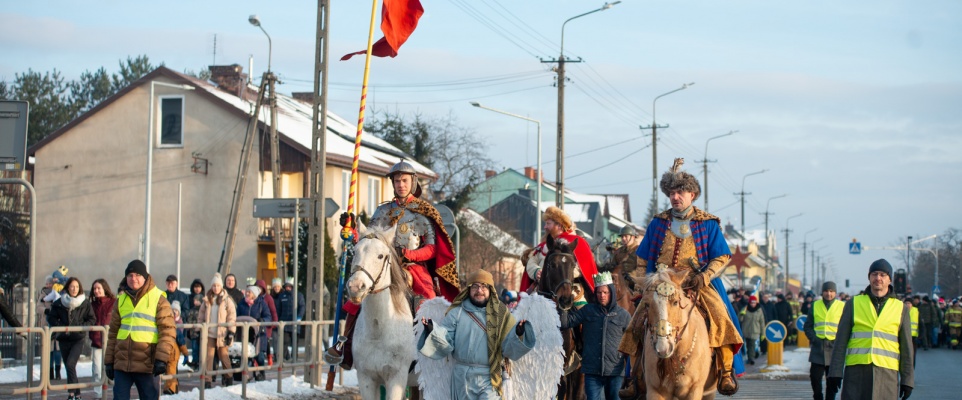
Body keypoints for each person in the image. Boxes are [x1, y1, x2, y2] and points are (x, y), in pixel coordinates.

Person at [619, 158, 743, 397]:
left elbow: (721, 256)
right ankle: (633, 376)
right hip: (661, 285)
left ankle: (725, 371)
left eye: (681, 192)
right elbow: (644, 258)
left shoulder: (707, 223)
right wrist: (643, 283)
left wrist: (705, 276)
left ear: (693, 194)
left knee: (721, 316)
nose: (676, 197)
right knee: (636, 323)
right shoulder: (659, 222)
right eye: (672, 193)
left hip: (696, 283)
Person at [332, 159, 461, 369]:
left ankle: (427, 350)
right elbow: (368, 239)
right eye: (397, 181)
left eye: (404, 180)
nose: (401, 184)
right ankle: (345, 348)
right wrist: (351, 231)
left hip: (411, 267)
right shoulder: (381, 212)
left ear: (413, 182)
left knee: (426, 298)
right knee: (355, 298)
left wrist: (408, 254)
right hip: (379, 265)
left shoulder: (423, 212)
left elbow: (432, 248)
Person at [418, 269, 536, 399]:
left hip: (490, 377)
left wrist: (518, 334)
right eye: (475, 286)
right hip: (462, 379)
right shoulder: (456, 313)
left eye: (484, 286)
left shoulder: (502, 314)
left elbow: (508, 348)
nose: (479, 290)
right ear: (468, 290)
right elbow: (446, 341)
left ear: (490, 290)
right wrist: (432, 330)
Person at [827, 259, 914, 400]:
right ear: (869, 277)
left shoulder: (900, 308)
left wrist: (907, 380)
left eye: (882, 275)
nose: (878, 278)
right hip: (856, 373)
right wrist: (835, 372)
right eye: (874, 274)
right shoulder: (853, 303)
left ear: (890, 279)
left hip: (887, 375)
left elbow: (906, 349)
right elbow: (840, 341)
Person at [104, 260, 177, 400]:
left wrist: (161, 359)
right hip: (122, 364)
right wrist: (109, 361)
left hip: (147, 364)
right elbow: (113, 333)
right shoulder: (121, 300)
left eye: (137, 275)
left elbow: (167, 332)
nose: (133, 279)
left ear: (145, 276)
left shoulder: (159, 299)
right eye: (130, 275)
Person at [559, 272, 630, 400]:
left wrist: (630, 369)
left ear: (611, 293)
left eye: (605, 292)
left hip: (615, 372)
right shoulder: (588, 311)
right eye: (599, 293)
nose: (602, 296)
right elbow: (566, 322)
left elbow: (631, 343)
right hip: (592, 371)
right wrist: (563, 307)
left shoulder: (623, 315)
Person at [520, 205, 600, 295]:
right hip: (542, 291)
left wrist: (559, 275)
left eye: (548, 223)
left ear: (559, 225)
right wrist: (536, 271)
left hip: (570, 291)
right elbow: (532, 261)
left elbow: (583, 267)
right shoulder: (544, 245)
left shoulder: (578, 243)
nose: (545, 227)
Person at [47, 277, 96, 400]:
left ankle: (71, 393)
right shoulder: (59, 302)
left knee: (70, 364)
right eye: (72, 286)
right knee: (71, 367)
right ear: (68, 287)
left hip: (78, 339)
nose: (74, 289)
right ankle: (77, 394)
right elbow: (51, 318)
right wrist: (60, 327)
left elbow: (91, 319)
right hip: (63, 338)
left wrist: (81, 328)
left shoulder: (84, 303)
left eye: (77, 287)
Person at [804, 281, 844, 400]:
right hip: (818, 347)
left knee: (832, 379)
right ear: (822, 292)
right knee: (815, 378)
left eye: (831, 291)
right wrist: (814, 339)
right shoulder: (815, 305)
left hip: (834, 347)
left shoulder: (842, 306)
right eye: (826, 291)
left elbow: (846, 327)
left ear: (835, 293)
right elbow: (807, 326)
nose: (829, 294)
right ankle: (818, 396)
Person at [198, 273, 237, 388]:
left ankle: (228, 377)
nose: (216, 288)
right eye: (214, 286)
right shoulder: (207, 300)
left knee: (224, 357)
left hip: (222, 334)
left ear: (221, 287)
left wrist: (231, 331)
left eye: (218, 286)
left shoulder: (226, 300)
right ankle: (207, 380)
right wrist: (198, 328)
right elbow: (201, 315)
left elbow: (232, 315)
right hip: (209, 333)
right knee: (209, 358)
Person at [236, 280, 272, 381]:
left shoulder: (261, 304)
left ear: (254, 294)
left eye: (249, 292)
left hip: (258, 334)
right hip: (244, 333)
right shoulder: (242, 303)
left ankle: (261, 372)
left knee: (259, 356)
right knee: (245, 355)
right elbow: (236, 314)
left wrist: (262, 320)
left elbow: (268, 317)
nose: (247, 294)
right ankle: (246, 374)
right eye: (247, 292)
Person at [89, 279, 116, 400]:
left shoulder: (113, 302)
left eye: (98, 288)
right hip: (96, 341)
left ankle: (117, 392)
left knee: (112, 370)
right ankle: (98, 395)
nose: (96, 291)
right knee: (96, 370)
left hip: (111, 342)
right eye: (94, 288)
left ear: (104, 288)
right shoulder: (92, 305)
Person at [39, 275, 63, 381]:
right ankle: (50, 372)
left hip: (57, 324)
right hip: (47, 324)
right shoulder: (42, 294)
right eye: (47, 283)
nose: (48, 285)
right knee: (49, 350)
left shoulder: (58, 293)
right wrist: (46, 310)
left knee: (57, 350)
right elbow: (38, 307)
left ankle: (58, 371)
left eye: (50, 284)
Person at [162, 301, 188, 395]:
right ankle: (172, 388)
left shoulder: (176, 327)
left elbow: (181, 341)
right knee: (169, 371)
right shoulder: (168, 326)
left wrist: (185, 353)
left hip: (173, 353)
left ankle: (171, 389)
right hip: (167, 352)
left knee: (171, 371)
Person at [277, 278, 305, 361]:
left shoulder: (298, 295)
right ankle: (286, 357)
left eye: (289, 286)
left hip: (295, 323)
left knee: (294, 343)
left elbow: (302, 306)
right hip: (285, 323)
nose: (288, 288)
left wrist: (299, 317)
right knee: (284, 342)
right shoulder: (282, 296)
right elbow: (279, 308)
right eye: (286, 286)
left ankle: (294, 358)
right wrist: (279, 319)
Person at [255, 279, 279, 366]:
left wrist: (274, 322)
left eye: (260, 288)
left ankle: (269, 356)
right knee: (256, 341)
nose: (259, 289)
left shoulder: (268, 298)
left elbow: (273, 311)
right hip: (256, 324)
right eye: (257, 287)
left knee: (266, 341)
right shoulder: (253, 296)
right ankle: (256, 359)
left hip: (266, 324)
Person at [739, 295, 765, 366]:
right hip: (746, 331)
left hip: (755, 331)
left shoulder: (759, 310)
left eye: (754, 303)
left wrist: (763, 333)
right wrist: (742, 314)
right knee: (747, 345)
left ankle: (751, 358)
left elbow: (762, 322)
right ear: (749, 303)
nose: (753, 304)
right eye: (751, 303)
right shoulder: (745, 309)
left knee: (752, 345)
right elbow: (740, 319)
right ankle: (750, 357)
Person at [186, 278, 205, 370]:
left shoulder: (205, 304)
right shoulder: (189, 302)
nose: (197, 289)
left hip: (202, 332)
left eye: (199, 287)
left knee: (202, 348)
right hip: (193, 332)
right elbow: (189, 317)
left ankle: (201, 363)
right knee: (194, 348)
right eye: (195, 287)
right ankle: (195, 362)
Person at [903, 298, 918, 367]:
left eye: (909, 303)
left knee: (912, 354)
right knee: (904, 354)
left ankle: (911, 367)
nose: (907, 305)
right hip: (903, 336)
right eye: (906, 303)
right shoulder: (900, 310)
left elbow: (921, 323)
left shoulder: (916, 311)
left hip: (913, 336)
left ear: (912, 304)